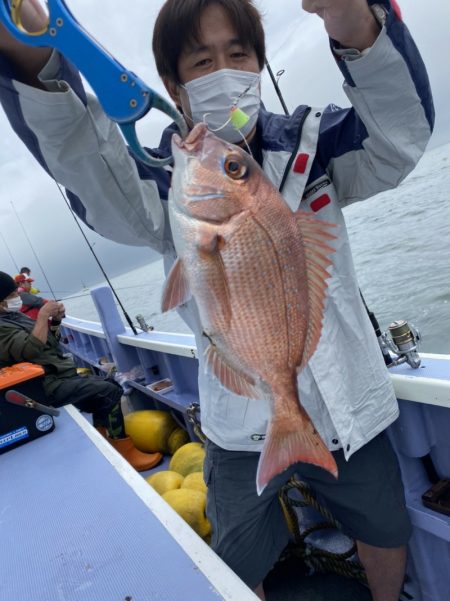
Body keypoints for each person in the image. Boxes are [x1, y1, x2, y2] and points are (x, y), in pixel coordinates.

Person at [0, 1, 434, 599]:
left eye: (238, 53)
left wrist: (356, 21)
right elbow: (92, 166)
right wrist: (35, 53)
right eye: (202, 60)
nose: (224, 70)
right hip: (238, 423)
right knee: (233, 553)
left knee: (385, 524)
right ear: (175, 88)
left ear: (259, 64)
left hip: (350, 411)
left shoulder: (316, 148)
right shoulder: (161, 177)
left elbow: (397, 138)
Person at [0, 271, 162, 472]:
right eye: (11, 296)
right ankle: (124, 453)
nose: (17, 297)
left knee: (108, 386)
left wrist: (55, 320)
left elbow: (49, 342)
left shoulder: (13, 315)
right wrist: (42, 315)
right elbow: (29, 349)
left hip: (57, 373)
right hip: (41, 386)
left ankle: (106, 444)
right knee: (110, 392)